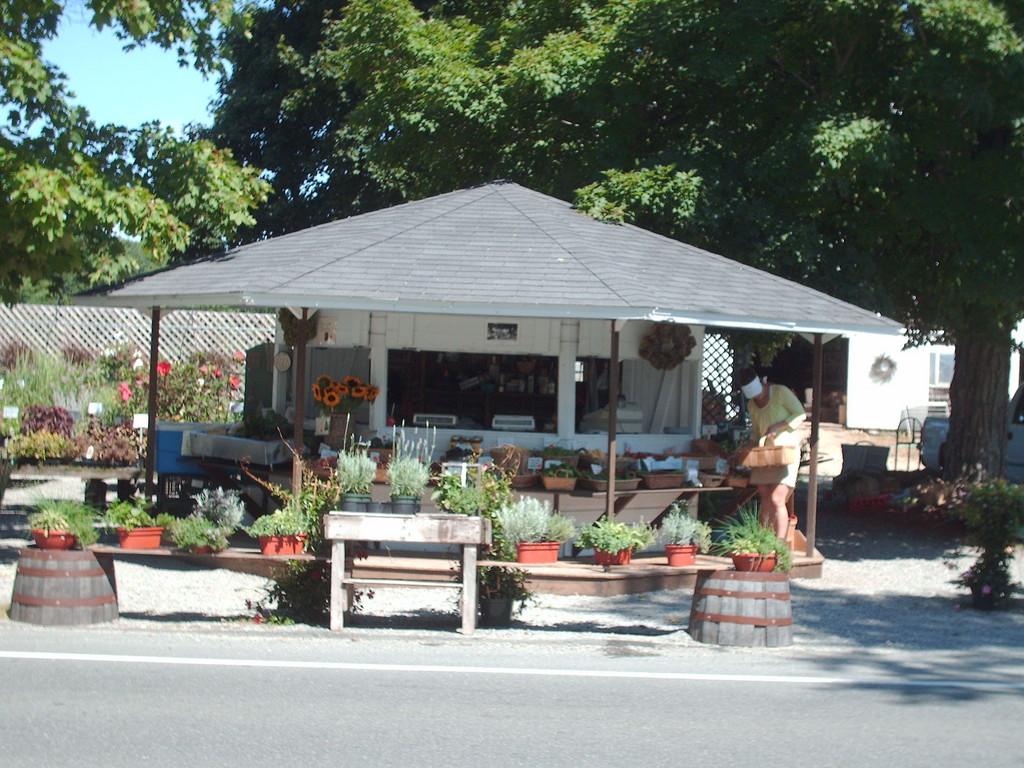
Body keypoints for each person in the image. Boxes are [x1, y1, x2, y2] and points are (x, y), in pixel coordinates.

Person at [736, 366, 806, 539]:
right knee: (766, 500)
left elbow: (800, 414)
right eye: (754, 397)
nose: (758, 398)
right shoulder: (752, 405)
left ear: (762, 383)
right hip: (763, 456)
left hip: (785, 453)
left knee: (776, 499)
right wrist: (744, 449)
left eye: (759, 394)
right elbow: (757, 433)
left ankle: (779, 547)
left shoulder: (780, 392)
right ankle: (765, 543)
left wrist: (778, 426)